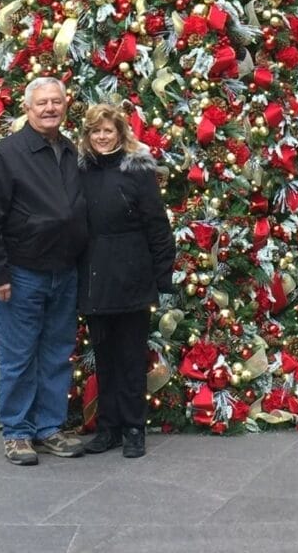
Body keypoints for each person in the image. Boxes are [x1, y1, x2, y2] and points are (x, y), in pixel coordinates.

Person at [0, 76, 88, 465]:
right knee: (19, 356)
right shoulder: (8, 154)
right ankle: (18, 432)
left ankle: (49, 428)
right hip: (21, 273)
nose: (50, 108)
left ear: (65, 106)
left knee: (57, 353)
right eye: (42, 103)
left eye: (56, 102)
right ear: (27, 108)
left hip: (65, 271)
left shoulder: (71, 151)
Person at [78, 103, 175, 459]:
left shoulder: (138, 171)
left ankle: (134, 427)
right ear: (87, 136)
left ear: (120, 133)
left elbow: (157, 226)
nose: (102, 137)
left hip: (132, 275)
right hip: (94, 276)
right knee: (104, 357)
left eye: (108, 131)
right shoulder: (82, 171)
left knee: (132, 357)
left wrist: (162, 276)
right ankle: (109, 427)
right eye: (95, 132)